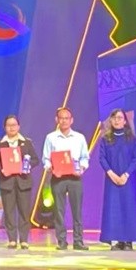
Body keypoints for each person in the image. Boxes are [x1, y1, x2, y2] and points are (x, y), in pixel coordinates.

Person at [0, 115, 40, 250]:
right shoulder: (0, 143)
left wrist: (27, 166)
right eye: (9, 125)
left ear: (18, 126)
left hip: (23, 181)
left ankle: (23, 240)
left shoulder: (26, 142)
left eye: (14, 125)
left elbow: (35, 159)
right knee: (9, 212)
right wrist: (1, 169)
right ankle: (12, 239)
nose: (11, 128)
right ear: (5, 127)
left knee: (24, 212)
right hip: (7, 182)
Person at [42, 107, 90, 250]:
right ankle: (61, 241)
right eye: (61, 118)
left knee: (77, 211)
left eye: (66, 118)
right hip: (58, 178)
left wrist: (81, 168)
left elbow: (85, 157)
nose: (64, 121)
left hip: (75, 178)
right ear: (56, 120)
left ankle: (78, 241)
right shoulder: (51, 137)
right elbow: (46, 159)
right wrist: (51, 168)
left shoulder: (79, 137)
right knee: (59, 210)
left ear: (71, 120)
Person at [98, 109, 136, 250]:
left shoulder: (131, 139)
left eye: (120, 118)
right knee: (114, 209)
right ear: (111, 121)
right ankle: (118, 240)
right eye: (114, 117)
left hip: (128, 180)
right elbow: (102, 158)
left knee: (129, 208)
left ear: (125, 121)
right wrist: (111, 174)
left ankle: (129, 241)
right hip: (111, 180)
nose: (117, 120)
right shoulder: (105, 139)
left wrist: (125, 175)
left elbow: (135, 159)